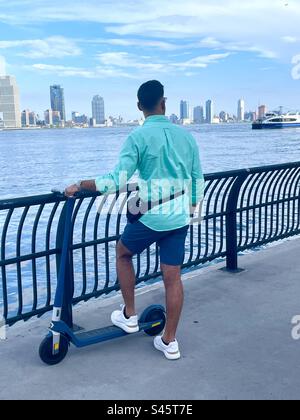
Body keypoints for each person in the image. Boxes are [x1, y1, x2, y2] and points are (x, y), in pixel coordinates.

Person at [65, 80, 204, 360]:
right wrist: (191, 208)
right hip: (179, 217)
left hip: (152, 216)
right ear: (164, 103)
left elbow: (116, 180)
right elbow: (196, 178)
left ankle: (129, 314)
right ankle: (170, 341)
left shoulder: (137, 137)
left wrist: (80, 184)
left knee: (123, 252)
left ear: (140, 107)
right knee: (173, 278)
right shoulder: (186, 137)